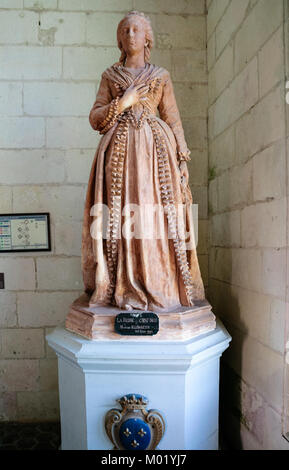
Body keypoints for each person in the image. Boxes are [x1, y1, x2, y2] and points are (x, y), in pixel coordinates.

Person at [81, 10, 205, 312]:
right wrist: (124, 102)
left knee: (157, 218)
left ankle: (160, 283)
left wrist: (183, 158)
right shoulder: (111, 76)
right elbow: (96, 118)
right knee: (121, 218)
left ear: (147, 37)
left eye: (136, 29)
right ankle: (123, 283)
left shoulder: (160, 76)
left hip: (157, 154)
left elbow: (172, 118)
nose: (130, 35)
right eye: (125, 30)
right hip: (119, 154)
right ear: (120, 41)